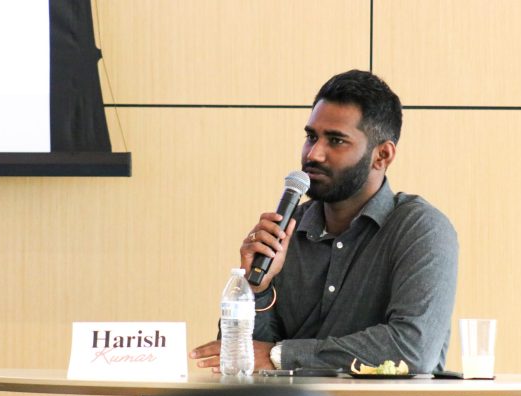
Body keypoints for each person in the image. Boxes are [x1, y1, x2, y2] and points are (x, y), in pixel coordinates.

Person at [190, 70, 458, 373]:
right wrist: (258, 288)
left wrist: (282, 356)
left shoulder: (421, 230)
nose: (314, 154)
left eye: (336, 141)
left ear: (382, 155)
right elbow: (242, 358)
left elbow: (411, 349)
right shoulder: (286, 230)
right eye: (311, 137)